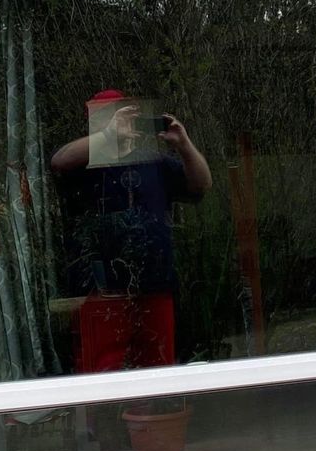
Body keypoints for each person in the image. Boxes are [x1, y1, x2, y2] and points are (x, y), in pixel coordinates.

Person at [50, 90, 212, 375]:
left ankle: (148, 421)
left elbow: (202, 183)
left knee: (157, 370)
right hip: (102, 293)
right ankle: (109, 422)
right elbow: (59, 160)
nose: (124, 124)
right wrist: (108, 137)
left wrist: (184, 144)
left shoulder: (154, 163)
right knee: (102, 372)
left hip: (155, 285)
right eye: (113, 118)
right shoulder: (85, 167)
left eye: (127, 116)